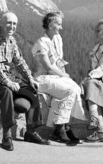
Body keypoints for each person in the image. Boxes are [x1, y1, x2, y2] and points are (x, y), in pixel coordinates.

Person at [0, 11, 50, 151]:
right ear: (1, 23)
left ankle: (31, 132)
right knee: (6, 91)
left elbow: (20, 63)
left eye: (14, 24)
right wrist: (7, 82)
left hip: (4, 75)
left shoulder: (11, 41)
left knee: (31, 88)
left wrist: (31, 79)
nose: (12, 26)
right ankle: (7, 134)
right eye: (9, 23)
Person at [30, 11, 87, 144]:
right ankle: (60, 129)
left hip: (55, 77)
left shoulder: (57, 38)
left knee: (76, 89)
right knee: (69, 91)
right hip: (42, 78)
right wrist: (64, 75)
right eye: (58, 24)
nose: (61, 27)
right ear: (50, 25)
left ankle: (64, 126)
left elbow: (59, 61)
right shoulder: (41, 42)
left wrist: (66, 78)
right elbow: (48, 67)